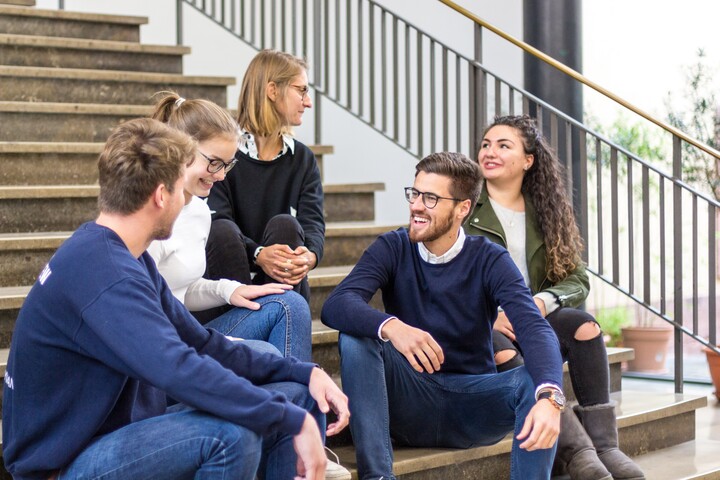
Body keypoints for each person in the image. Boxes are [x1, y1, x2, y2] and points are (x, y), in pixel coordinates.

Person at [2, 118, 349, 480]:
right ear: (161, 195)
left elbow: (200, 343)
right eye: (182, 191)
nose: (187, 201)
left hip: (118, 433)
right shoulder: (104, 272)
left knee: (301, 394)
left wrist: (302, 371)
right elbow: (176, 367)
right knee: (232, 436)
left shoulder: (130, 258)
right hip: (64, 463)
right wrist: (286, 418)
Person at [322, 152, 565, 480]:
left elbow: (533, 327)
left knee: (533, 380)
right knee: (356, 334)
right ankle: (378, 476)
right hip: (409, 400)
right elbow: (337, 304)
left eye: (431, 198)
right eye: (415, 193)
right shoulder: (393, 246)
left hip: (473, 406)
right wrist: (391, 326)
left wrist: (551, 397)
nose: (417, 206)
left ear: (462, 208)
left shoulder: (489, 258)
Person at [464, 114, 645, 480]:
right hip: (487, 323)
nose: (490, 152)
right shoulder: (466, 207)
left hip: (534, 315)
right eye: (486, 145)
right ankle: (574, 452)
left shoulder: (545, 210)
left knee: (585, 328)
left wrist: (544, 301)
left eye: (503, 145)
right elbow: (443, 274)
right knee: (499, 344)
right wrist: (488, 312)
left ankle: (605, 446)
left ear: (528, 160)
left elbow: (577, 278)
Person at [147, 92, 311, 361]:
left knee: (290, 303)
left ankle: (293, 394)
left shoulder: (199, 211)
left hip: (187, 336)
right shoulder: (152, 217)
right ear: (178, 150)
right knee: (266, 353)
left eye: (228, 165)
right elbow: (139, 308)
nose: (222, 175)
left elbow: (181, 291)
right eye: (214, 163)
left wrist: (229, 290)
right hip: (162, 350)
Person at [206, 49, 323, 302]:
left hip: (281, 284)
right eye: (301, 90)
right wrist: (258, 253)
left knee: (287, 225)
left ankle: (280, 317)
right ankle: (241, 331)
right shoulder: (223, 152)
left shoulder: (303, 159)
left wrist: (308, 256)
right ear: (272, 90)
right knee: (223, 229)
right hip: (227, 288)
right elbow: (217, 225)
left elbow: (313, 224)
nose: (308, 101)